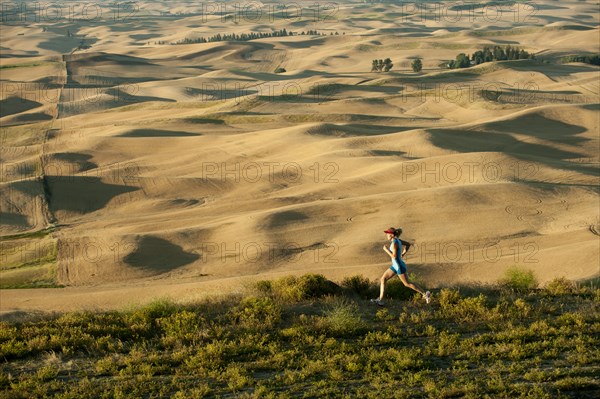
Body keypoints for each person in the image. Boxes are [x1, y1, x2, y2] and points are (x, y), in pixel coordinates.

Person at [371, 227, 431, 306]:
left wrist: (386, 250)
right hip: (395, 265)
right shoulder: (398, 241)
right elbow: (408, 245)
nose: (386, 235)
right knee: (383, 279)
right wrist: (402, 254)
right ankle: (381, 300)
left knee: (407, 284)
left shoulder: (395, 242)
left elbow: (394, 256)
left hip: (399, 266)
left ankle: (425, 294)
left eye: (388, 234)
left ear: (392, 235)